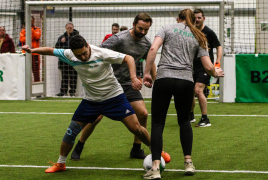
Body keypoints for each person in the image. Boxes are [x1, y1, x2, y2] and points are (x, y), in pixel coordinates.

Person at [22, 34, 151, 173]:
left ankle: (157, 150)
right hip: (91, 101)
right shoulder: (69, 54)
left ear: (88, 46)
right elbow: (50, 50)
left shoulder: (101, 53)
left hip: (114, 97)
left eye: (84, 53)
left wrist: (133, 77)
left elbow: (129, 58)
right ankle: (60, 163)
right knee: (71, 131)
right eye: (79, 56)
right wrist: (32, 50)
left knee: (136, 128)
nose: (83, 57)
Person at [142, 9, 224, 179]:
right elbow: (209, 66)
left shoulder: (166, 28)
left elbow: (152, 49)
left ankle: (155, 168)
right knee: (184, 121)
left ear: (177, 18)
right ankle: (188, 163)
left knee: (158, 123)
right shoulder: (200, 36)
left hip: (164, 78)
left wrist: (147, 73)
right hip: (186, 81)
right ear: (194, 20)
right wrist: (216, 73)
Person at [71, 13, 156, 160]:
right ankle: (79, 145)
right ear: (134, 23)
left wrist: (155, 80)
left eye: (146, 30)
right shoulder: (119, 38)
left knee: (142, 114)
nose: (143, 32)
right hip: (109, 83)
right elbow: (97, 52)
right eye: (140, 28)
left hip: (129, 83)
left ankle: (136, 149)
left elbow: (151, 60)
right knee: (96, 118)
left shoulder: (146, 43)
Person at [190, 9, 223, 127]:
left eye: (199, 18)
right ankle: (191, 115)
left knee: (198, 90)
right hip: (191, 66)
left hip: (205, 66)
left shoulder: (208, 32)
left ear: (203, 18)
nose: (197, 20)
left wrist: (217, 62)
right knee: (190, 92)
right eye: (195, 18)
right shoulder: (190, 31)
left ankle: (205, 118)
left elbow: (218, 46)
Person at [55, 22, 79, 97]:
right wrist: (61, 42)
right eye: (68, 28)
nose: (69, 29)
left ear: (73, 28)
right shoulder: (62, 37)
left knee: (73, 76)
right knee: (64, 76)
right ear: (66, 28)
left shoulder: (77, 37)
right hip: (64, 60)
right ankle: (63, 91)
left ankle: (72, 92)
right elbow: (56, 47)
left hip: (73, 59)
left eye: (70, 28)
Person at [20, 16, 41, 82]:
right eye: (29, 20)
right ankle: (25, 84)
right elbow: (22, 39)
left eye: (31, 20)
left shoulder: (37, 29)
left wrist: (30, 30)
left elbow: (37, 36)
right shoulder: (23, 31)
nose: (30, 22)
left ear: (33, 21)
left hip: (35, 54)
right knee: (25, 70)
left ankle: (37, 84)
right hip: (25, 54)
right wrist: (31, 36)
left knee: (36, 71)